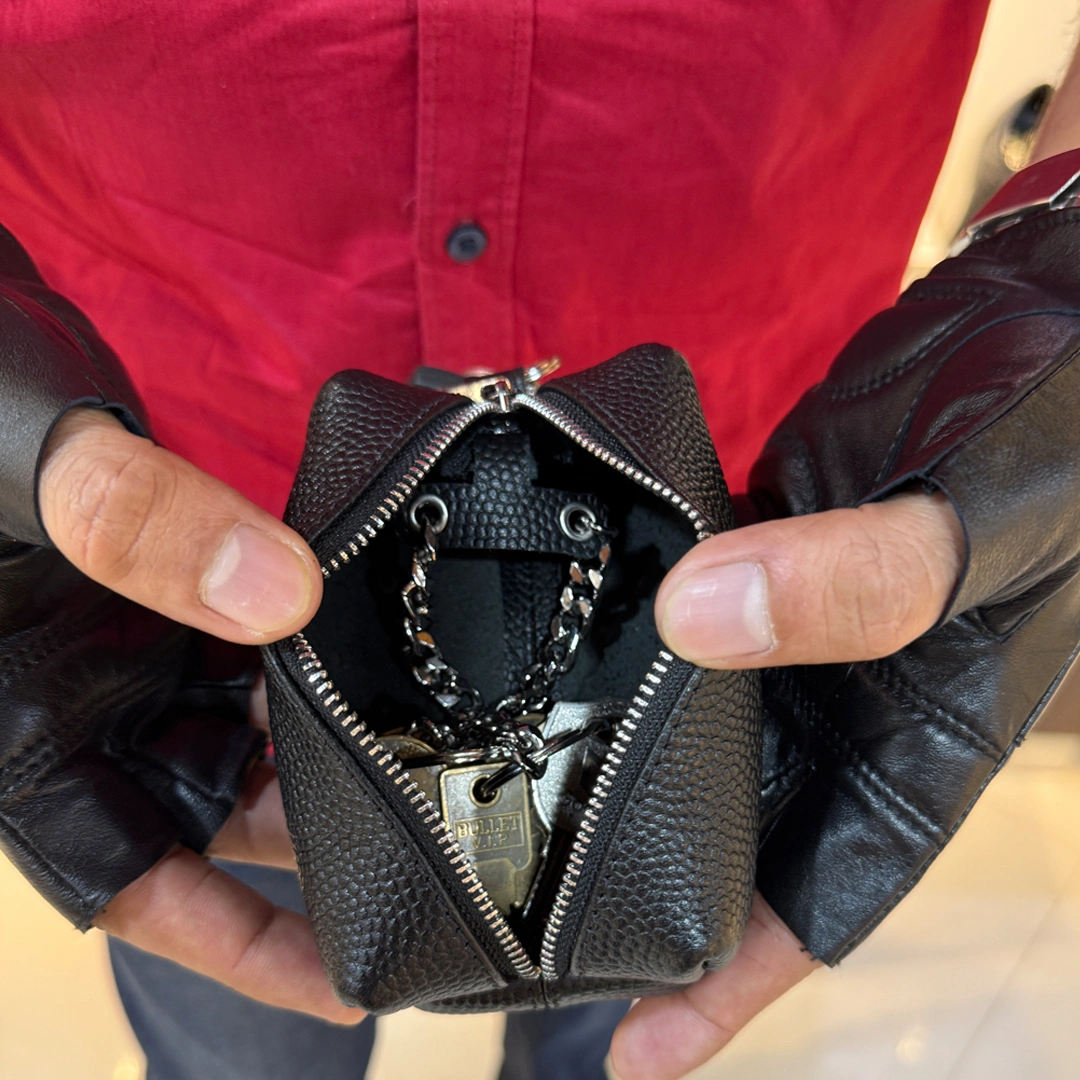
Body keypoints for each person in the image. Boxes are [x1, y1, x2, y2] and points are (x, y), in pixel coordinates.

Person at [1, 4, 1079, 1079]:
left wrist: (1054, 294)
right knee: (239, 1050)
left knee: (596, 1042)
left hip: (748, 556)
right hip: (165, 618)